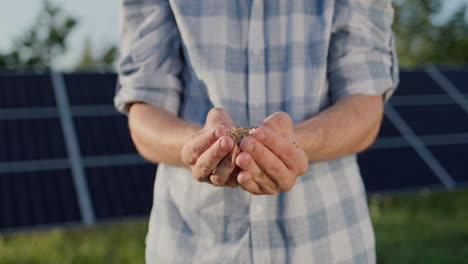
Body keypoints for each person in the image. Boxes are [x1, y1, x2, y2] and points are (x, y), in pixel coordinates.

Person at [114, 0, 398, 263]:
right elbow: (144, 112)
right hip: (191, 246)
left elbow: (365, 108)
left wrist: (294, 145)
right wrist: (200, 145)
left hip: (328, 245)